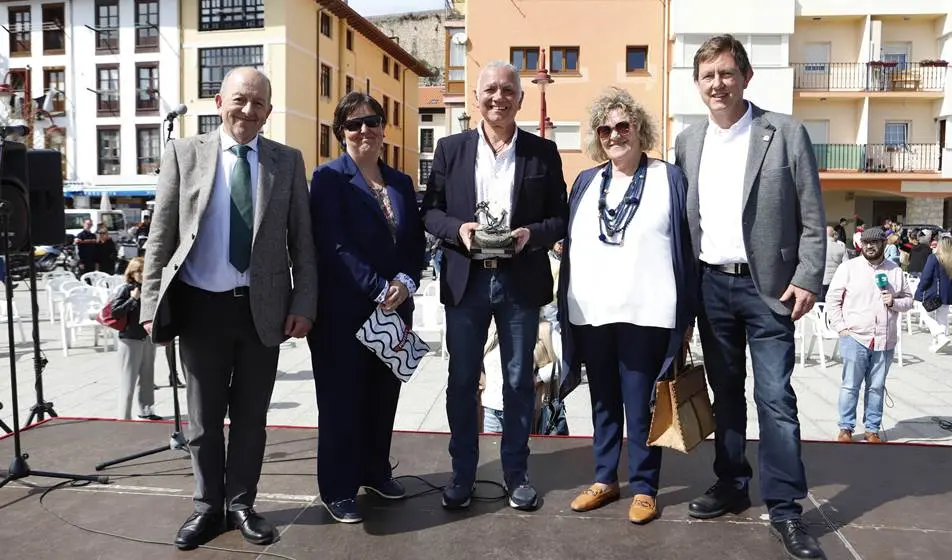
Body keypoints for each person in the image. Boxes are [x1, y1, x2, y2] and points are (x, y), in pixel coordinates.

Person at [140, 67, 317, 550]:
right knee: (202, 419)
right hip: (201, 308)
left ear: (268, 111)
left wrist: (303, 302)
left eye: (258, 103)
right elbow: (161, 236)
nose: (248, 110)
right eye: (240, 100)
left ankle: (241, 503)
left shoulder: (287, 161)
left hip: (262, 312)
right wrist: (150, 303)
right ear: (219, 101)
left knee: (251, 418)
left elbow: (303, 243)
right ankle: (206, 507)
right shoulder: (183, 153)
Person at [674, 35, 826, 560]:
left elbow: (812, 216)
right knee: (726, 394)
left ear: (746, 77)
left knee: (776, 400)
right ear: (698, 84)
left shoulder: (785, 132)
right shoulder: (688, 142)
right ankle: (732, 483)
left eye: (726, 73)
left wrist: (808, 277)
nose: (717, 84)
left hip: (769, 290)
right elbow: (684, 225)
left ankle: (785, 509)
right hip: (711, 287)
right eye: (708, 75)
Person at [421, 60, 568, 511]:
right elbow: (431, 210)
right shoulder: (450, 149)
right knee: (462, 380)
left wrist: (532, 235)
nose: (498, 97)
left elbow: (560, 217)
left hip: (520, 282)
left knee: (520, 380)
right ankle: (463, 473)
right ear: (476, 97)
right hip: (468, 282)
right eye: (490, 90)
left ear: (520, 100)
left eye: (508, 90)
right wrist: (458, 231)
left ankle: (516, 472)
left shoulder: (543, 153)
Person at [557, 87, 696, 524]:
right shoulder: (586, 181)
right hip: (593, 312)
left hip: (647, 311)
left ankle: (644, 487)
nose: (615, 134)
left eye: (623, 126)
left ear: (640, 130)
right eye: (606, 129)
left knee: (641, 405)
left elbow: (686, 245)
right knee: (602, 402)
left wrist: (687, 315)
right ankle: (604, 478)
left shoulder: (667, 178)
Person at [308, 92, 426, 523]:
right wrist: (379, 287)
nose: (364, 131)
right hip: (343, 315)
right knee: (342, 403)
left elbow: (414, 244)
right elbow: (334, 246)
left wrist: (406, 282)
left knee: (382, 400)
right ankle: (337, 488)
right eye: (354, 124)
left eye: (372, 121)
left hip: (393, 313)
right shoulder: (327, 179)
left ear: (382, 128)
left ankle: (375, 471)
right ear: (341, 132)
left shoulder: (400, 183)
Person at [826, 227, 912, 443]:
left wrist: (894, 301)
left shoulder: (894, 271)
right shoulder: (848, 268)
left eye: (874, 242)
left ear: (884, 244)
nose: (870, 246)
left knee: (876, 387)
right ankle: (845, 428)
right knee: (850, 385)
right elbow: (832, 300)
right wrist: (841, 329)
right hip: (855, 337)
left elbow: (909, 300)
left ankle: (872, 429)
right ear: (860, 245)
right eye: (865, 243)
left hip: (885, 339)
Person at [111, 256, 160, 421]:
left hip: (146, 337)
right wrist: (133, 299)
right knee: (129, 379)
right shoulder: (126, 289)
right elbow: (115, 312)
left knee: (147, 376)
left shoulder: (149, 288)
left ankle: (147, 409)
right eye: (138, 271)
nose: (142, 274)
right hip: (130, 339)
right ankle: (124, 415)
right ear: (132, 273)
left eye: (144, 270)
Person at [914, 235, 952, 353]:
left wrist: (919, 291)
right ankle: (938, 342)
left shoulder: (933, 258)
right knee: (942, 318)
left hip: (933, 293)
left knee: (926, 315)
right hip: (947, 294)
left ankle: (940, 337)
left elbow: (926, 277)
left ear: (940, 245)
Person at [822, 225, 847, 302]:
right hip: (835, 281)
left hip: (821, 281)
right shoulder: (841, 248)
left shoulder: (819, 247)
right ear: (834, 234)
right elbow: (846, 266)